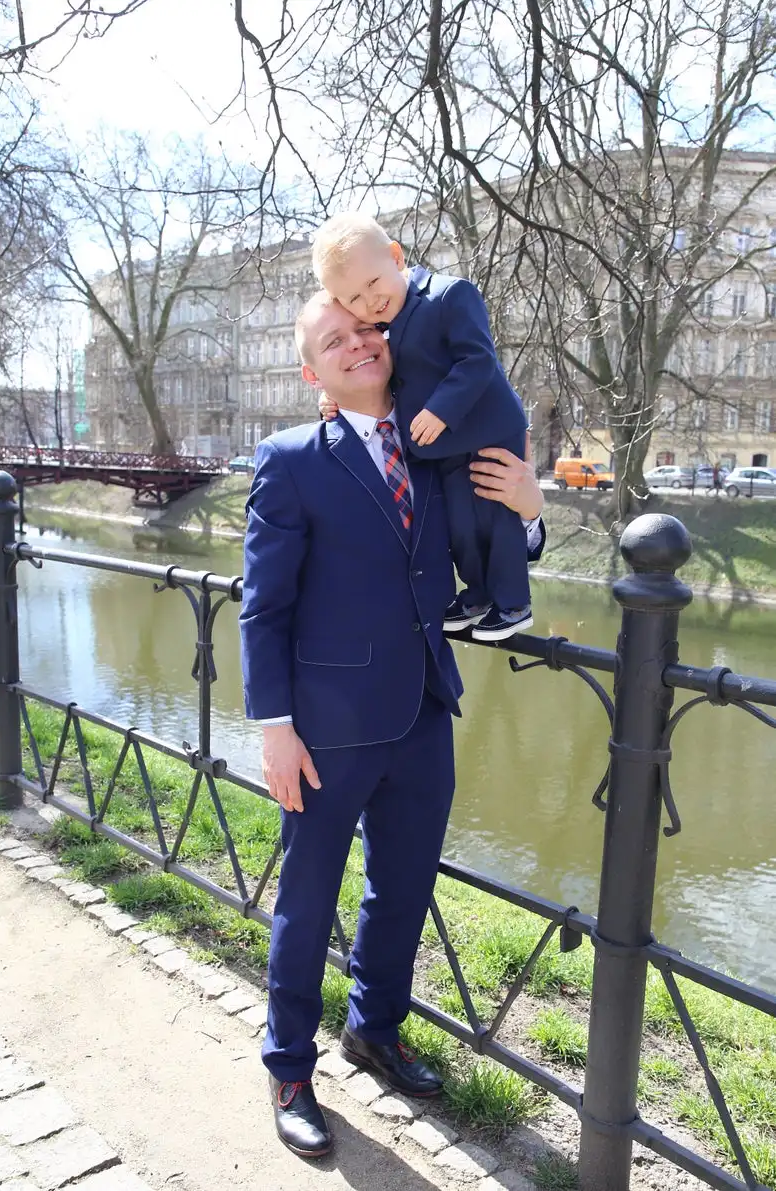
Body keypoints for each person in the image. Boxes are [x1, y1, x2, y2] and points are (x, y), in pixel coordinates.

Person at [239, 294, 545, 1160]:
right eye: (332, 340)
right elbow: (263, 609)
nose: (356, 344)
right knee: (306, 903)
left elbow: (491, 545)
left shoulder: (434, 446)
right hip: (327, 731)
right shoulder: (292, 459)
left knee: (403, 889)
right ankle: (290, 1068)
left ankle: (375, 1029)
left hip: (423, 713)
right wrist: (275, 729)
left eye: (364, 329)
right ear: (314, 373)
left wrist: (530, 508)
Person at [311, 212, 533, 642]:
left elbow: (478, 360)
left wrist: (440, 410)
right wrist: (334, 395)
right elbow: (391, 378)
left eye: (374, 283)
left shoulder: (451, 295)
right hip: (442, 444)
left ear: (396, 256)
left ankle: (514, 603)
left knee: (497, 514)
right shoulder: (382, 327)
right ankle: (478, 594)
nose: (370, 302)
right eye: (354, 299)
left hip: (487, 427)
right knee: (460, 525)